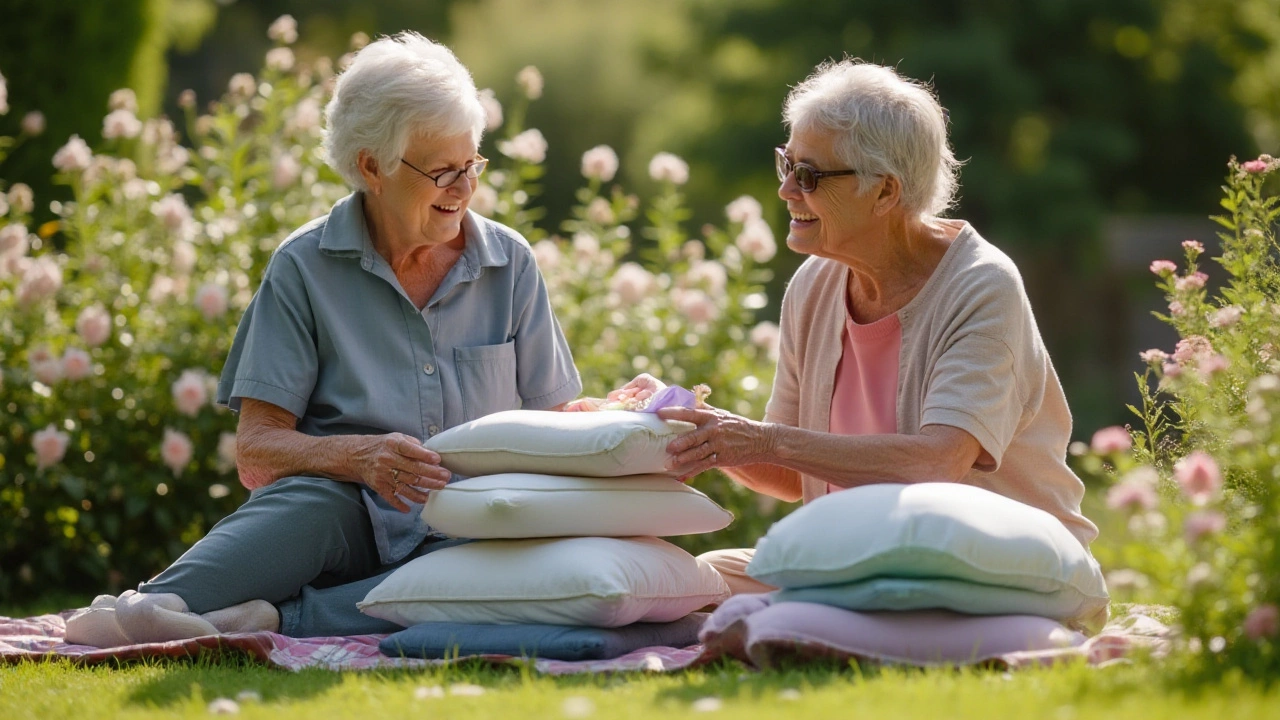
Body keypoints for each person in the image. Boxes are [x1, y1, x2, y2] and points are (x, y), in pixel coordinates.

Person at [67, 32, 581, 644]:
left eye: (472, 164)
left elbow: (558, 421)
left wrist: (634, 418)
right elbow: (257, 451)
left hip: (477, 525)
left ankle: (276, 621)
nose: (465, 189)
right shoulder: (303, 266)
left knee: (486, 577)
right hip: (343, 513)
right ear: (372, 166)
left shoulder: (510, 264)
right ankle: (150, 609)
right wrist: (356, 459)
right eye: (443, 171)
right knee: (303, 513)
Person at [610, 59, 1099, 596]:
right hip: (857, 556)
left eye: (811, 175)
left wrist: (764, 440)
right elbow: (790, 473)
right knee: (681, 583)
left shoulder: (981, 287)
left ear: (885, 192)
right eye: (787, 164)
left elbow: (937, 462)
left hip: (994, 563)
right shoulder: (814, 284)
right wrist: (702, 430)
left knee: (782, 600)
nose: (787, 190)